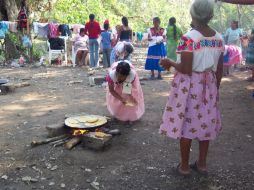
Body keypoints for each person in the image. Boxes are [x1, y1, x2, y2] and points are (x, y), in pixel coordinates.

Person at [159, 0, 224, 176]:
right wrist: (215, 88)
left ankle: (185, 166)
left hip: (191, 86)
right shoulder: (219, 38)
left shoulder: (188, 38)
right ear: (210, 15)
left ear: (193, 14)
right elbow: (219, 68)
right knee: (206, 123)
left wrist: (169, 62)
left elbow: (186, 69)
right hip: (209, 85)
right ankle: (201, 164)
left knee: (187, 124)